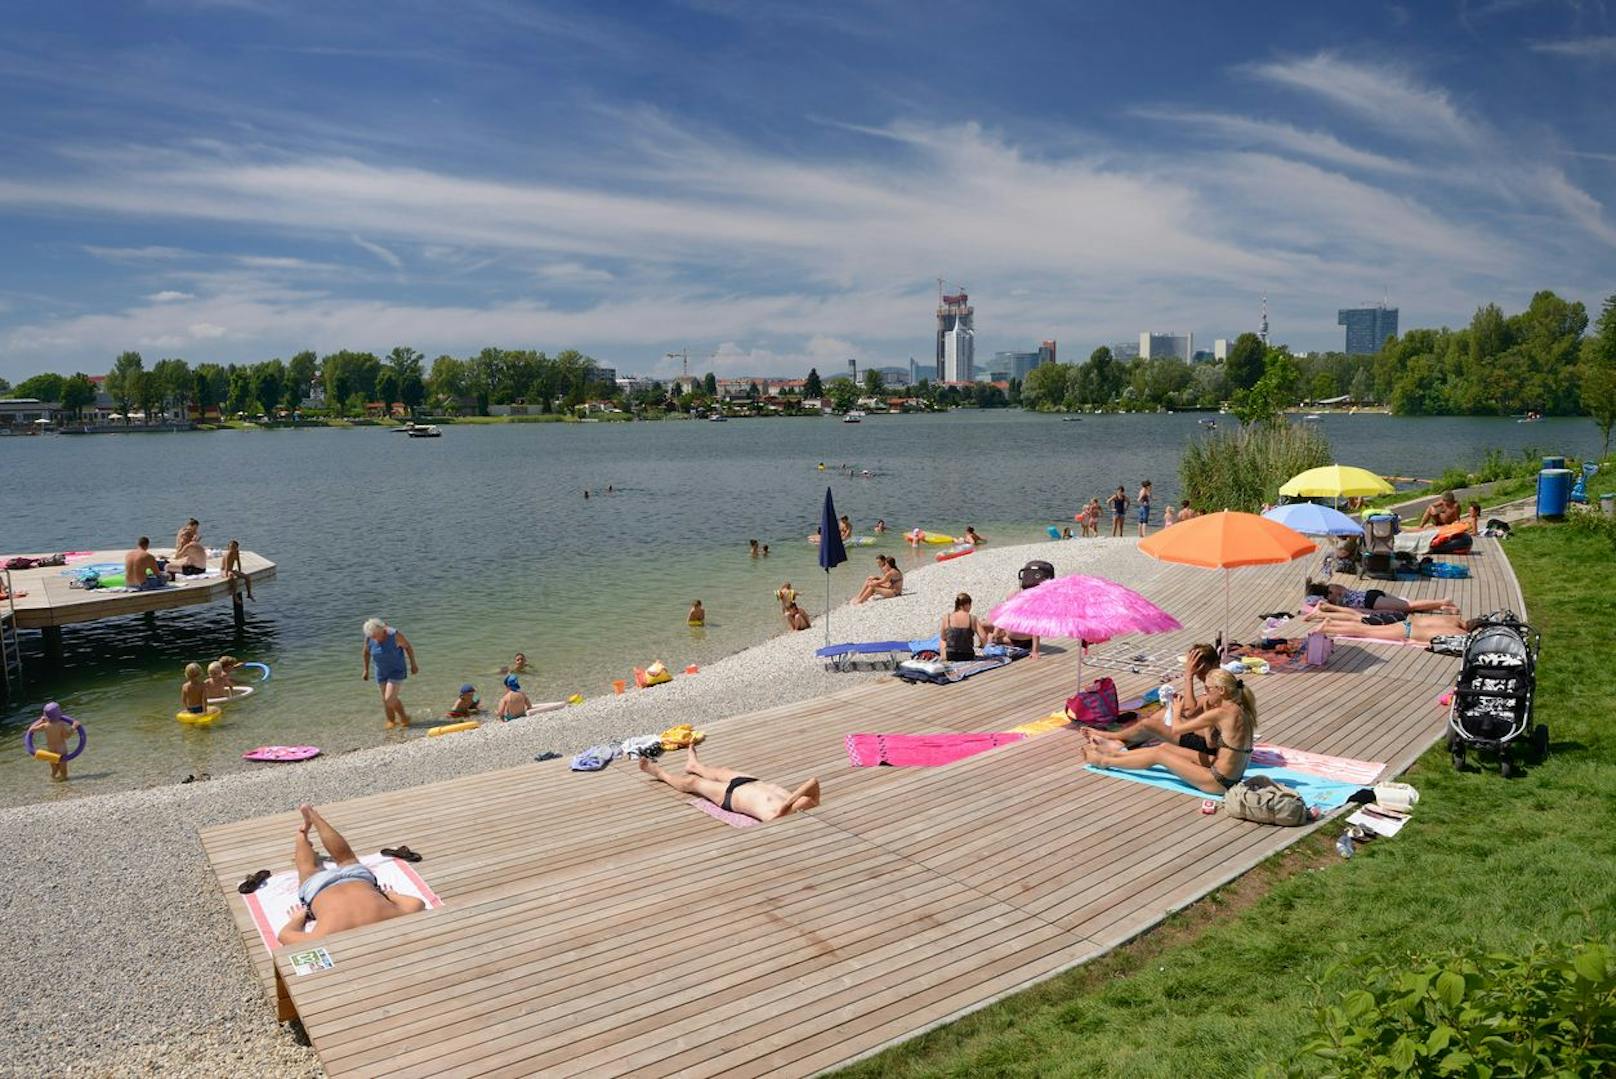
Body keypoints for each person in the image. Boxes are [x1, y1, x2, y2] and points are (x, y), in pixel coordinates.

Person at [1082, 669, 1257, 794]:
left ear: (1221, 690)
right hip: (1230, 775)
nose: (1205, 693)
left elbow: (1177, 728)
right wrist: (1207, 713)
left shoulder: (1220, 713)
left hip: (1218, 782)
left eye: (1207, 690)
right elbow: (1211, 743)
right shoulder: (1242, 710)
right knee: (1165, 747)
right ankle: (1114, 752)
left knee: (1159, 754)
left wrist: (1177, 710)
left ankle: (1104, 760)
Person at [276, 804, 427, 945]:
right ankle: (302, 835)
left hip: (357, 879)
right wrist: (298, 919)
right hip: (320, 888)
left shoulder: (393, 915)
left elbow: (417, 903)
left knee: (345, 857)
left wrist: (392, 896)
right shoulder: (325, 935)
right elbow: (284, 936)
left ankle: (314, 817)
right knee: (307, 869)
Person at [638, 743, 819, 822]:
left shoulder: (778, 817)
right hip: (752, 782)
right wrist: (791, 801)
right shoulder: (811, 803)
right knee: (721, 771)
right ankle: (695, 764)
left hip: (731, 796)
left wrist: (791, 803)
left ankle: (660, 773)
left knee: (693, 782)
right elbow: (814, 782)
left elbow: (783, 813)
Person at [361, 618, 419, 730]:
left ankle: (404, 717)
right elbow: (366, 653)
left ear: (382, 630)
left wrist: (413, 664)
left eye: (376, 636)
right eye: (373, 637)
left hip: (396, 670)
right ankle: (391, 721)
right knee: (385, 699)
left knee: (389, 699)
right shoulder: (369, 637)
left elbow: (408, 647)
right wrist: (366, 670)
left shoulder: (394, 635)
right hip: (381, 671)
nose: (375, 639)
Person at [1316, 611, 1480, 644]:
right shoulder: (1459, 633)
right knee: (1364, 630)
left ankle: (1331, 624)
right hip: (1407, 631)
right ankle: (1328, 627)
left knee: (1365, 627)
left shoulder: (1452, 620)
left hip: (1406, 623)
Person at [1304, 582, 1457, 616]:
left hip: (1371, 602)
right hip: (1371, 593)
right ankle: (1442, 608)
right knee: (1407, 606)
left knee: (1408, 606)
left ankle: (1442, 602)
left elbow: (1355, 609)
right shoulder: (1333, 587)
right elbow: (1344, 590)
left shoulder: (1332, 598)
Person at [27, 702, 83, 782]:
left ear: (46, 716)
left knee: (54, 768)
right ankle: (64, 783)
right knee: (63, 771)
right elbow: (66, 736)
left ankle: (53, 780)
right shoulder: (61, 725)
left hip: (51, 751)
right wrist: (73, 727)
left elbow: (31, 730)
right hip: (61, 751)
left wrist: (40, 721)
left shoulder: (45, 725)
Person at [940, 592, 988, 661]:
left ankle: (944, 658)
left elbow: (943, 637)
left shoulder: (947, 617)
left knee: (942, 640)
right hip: (967, 656)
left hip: (951, 655)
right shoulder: (972, 618)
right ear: (966, 605)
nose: (970, 607)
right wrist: (982, 646)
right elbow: (984, 637)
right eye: (970, 605)